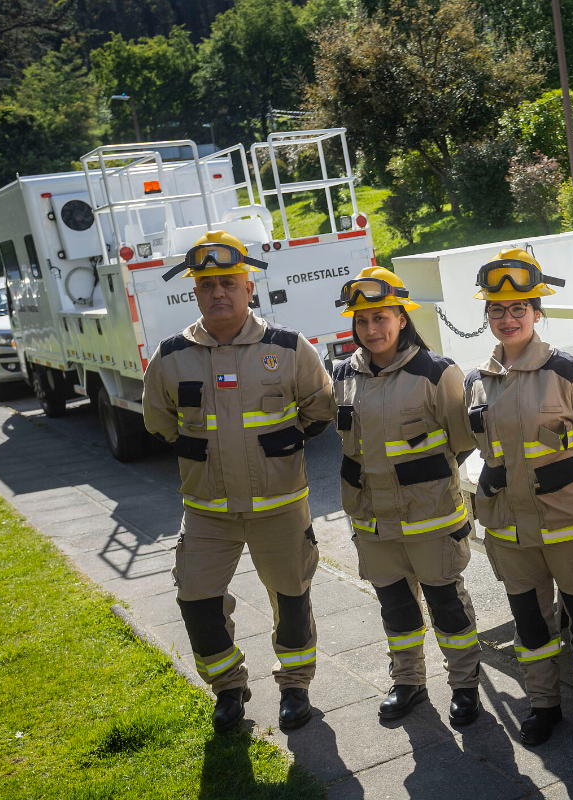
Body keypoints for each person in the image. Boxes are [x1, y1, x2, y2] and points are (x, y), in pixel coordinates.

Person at [143, 231, 336, 733]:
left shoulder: (290, 348)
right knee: (195, 600)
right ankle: (229, 687)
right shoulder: (168, 357)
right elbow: (161, 423)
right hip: (207, 512)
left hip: (280, 505)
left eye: (229, 282)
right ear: (194, 293)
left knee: (292, 600)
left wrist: (279, 451)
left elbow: (321, 408)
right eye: (207, 285)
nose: (218, 293)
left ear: (250, 287)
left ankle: (295, 687)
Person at [463, 249, 573, 750]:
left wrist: (565, 487)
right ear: (486, 315)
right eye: (497, 309)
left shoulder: (570, 372)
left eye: (518, 309)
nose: (507, 319)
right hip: (509, 532)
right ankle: (543, 704)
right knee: (531, 625)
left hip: (570, 526)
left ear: (537, 312)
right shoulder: (476, 381)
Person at [331, 267, 483, 726]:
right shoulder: (343, 375)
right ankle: (409, 683)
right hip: (373, 524)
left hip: (430, 522)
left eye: (381, 318)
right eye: (362, 321)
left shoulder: (436, 373)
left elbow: (461, 441)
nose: (372, 329)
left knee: (448, 608)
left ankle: (464, 686)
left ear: (401, 317)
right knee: (396, 611)